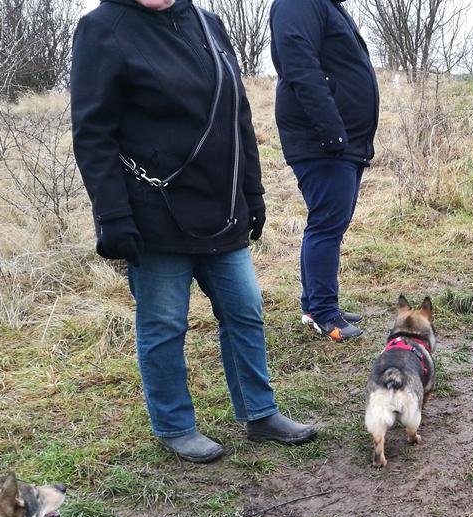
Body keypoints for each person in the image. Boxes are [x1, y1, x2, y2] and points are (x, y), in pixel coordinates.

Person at [71, 0, 318, 463]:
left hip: (220, 206)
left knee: (245, 311)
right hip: (153, 213)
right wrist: (112, 215)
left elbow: (237, 116)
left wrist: (253, 192)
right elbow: (92, 133)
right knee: (164, 325)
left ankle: (260, 412)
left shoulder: (209, 23)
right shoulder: (103, 29)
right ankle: (175, 425)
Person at [270, 0, 380, 343]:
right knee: (326, 224)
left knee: (330, 222)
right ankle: (323, 313)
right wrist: (331, 129)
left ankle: (315, 303)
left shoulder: (325, 5)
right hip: (323, 140)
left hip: (342, 141)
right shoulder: (297, 3)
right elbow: (300, 67)